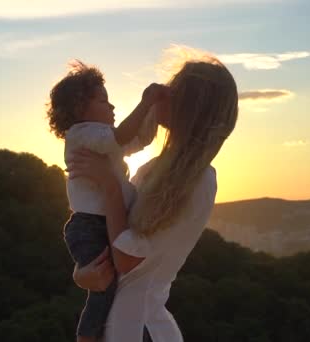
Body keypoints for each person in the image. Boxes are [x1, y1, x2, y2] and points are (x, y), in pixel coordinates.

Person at [67, 52, 239, 342]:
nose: (162, 92)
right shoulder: (153, 169)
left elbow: (127, 261)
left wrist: (109, 183)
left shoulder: (199, 180)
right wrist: (81, 272)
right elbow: (110, 237)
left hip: (141, 329)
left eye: (174, 88)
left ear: (191, 107)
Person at [47, 60, 169, 342]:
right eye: (104, 100)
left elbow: (139, 140)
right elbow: (123, 135)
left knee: (119, 287)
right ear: (80, 109)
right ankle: (88, 337)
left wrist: (153, 112)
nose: (112, 107)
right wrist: (145, 101)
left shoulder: (102, 141)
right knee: (106, 289)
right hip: (90, 226)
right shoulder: (82, 133)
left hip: (103, 223)